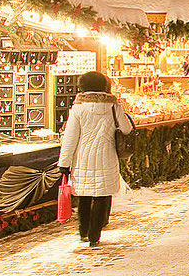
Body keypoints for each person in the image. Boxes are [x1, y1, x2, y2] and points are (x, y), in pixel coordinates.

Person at [57, 71, 134, 248]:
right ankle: (94, 236)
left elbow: (70, 137)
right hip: (107, 156)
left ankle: (83, 231)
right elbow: (127, 129)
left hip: (82, 157)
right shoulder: (113, 106)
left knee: (84, 196)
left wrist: (64, 163)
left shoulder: (78, 108)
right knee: (101, 195)